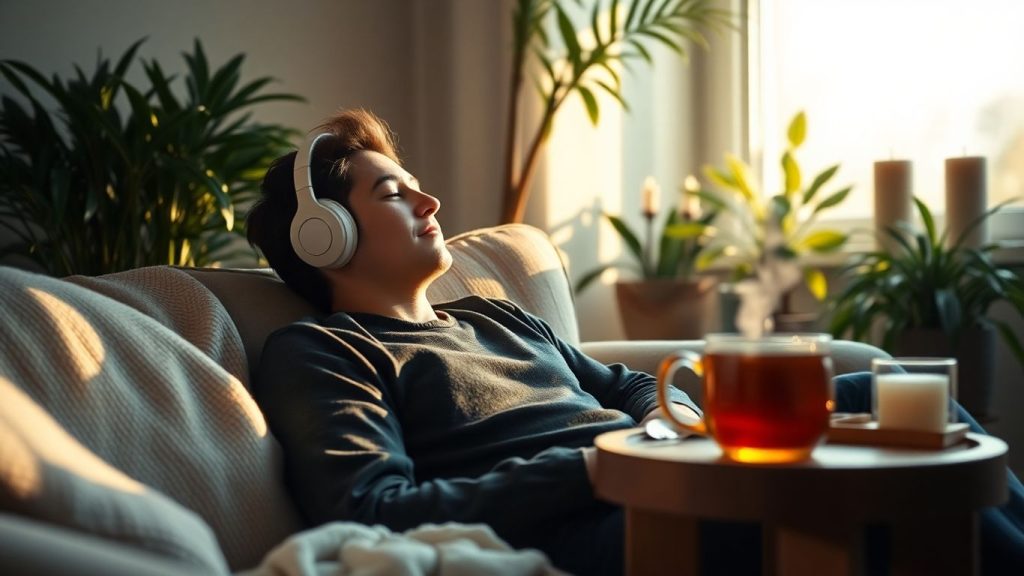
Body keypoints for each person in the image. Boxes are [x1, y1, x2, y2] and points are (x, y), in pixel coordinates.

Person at [246, 108, 1024, 575]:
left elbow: (618, 383)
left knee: (897, 398)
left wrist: (678, 425)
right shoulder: (324, 351)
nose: (429, 198)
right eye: (390, 191)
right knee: (886, 504)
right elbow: (374, 509)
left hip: (669, 467)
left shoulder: (493, 315)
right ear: (326, 236)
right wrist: (594, 467)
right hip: (604, 523)